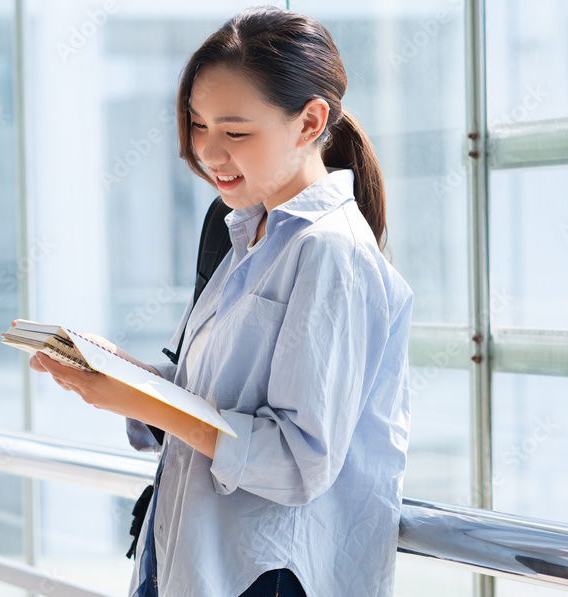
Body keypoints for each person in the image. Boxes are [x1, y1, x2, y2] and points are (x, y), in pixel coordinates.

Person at [30, 7, 413, 597]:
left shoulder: (331, 254)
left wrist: (145, 401)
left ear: (310, 122)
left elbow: (296, 461)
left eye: (235, 132)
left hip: (265, 576)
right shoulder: (247, 233)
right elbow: (219, 401)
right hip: (191, 561)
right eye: (198, 123)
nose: (209, 151)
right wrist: (122, 372)